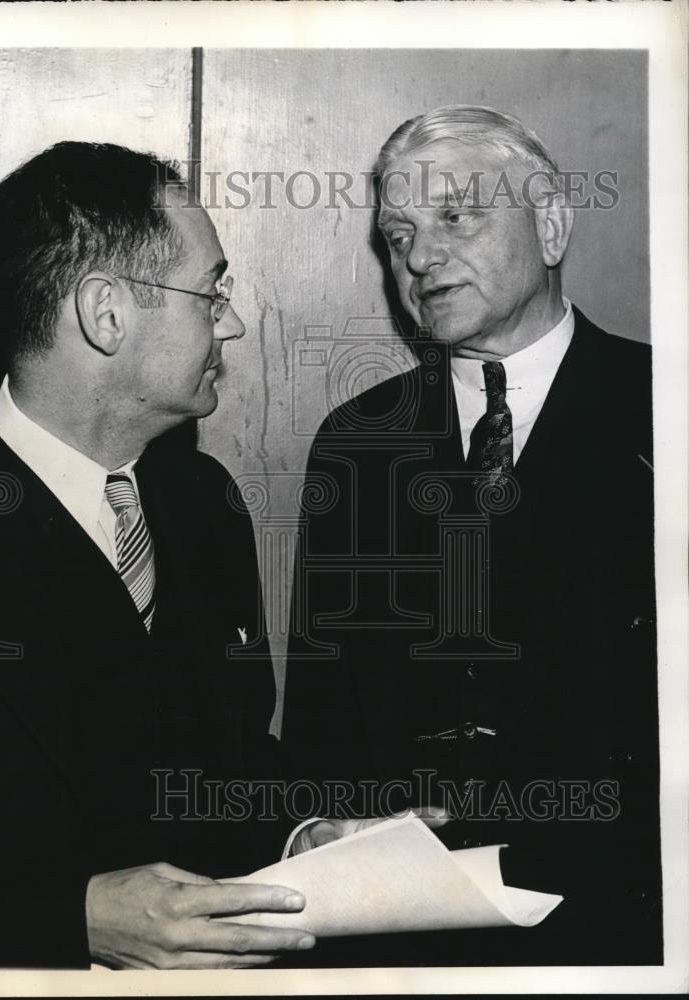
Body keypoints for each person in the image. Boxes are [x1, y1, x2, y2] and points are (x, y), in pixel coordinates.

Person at [0, 142, 317, 970]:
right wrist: (69, 918)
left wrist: (309, 835)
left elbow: (231, 758)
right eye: (212, 292)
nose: (230, 320)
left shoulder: (206, 502)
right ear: (106, 313)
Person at [283, 106, 661, 966]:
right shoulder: (355, 441)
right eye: (397, 233)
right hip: (396, 936)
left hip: (618, 929)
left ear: (553, 223)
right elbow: (321, 712)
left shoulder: (664, 407)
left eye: (455, 217)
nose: (417, 258)